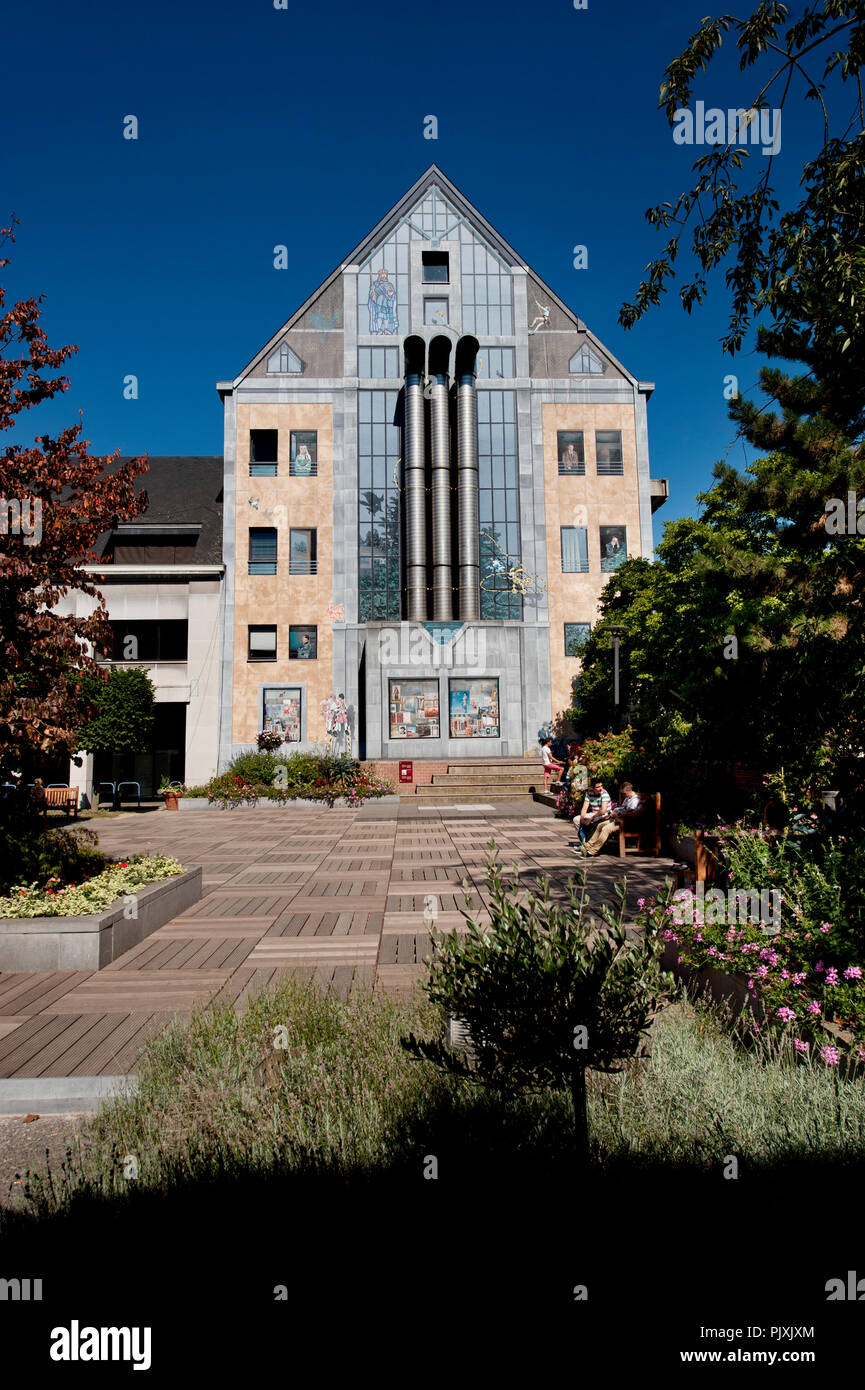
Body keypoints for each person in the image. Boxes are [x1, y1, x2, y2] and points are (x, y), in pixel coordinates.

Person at [583, 781, 647, 856]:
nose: (623, 795)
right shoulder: (627, 798)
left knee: (606, 829)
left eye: (624, 793)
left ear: (629, 791)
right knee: (600, 825)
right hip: (618, 819)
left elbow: (630, 814)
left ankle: (593, 851)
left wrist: (617, 815)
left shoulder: (635, 800)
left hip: (625, 822)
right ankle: (587, 846)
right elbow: (623, 809)